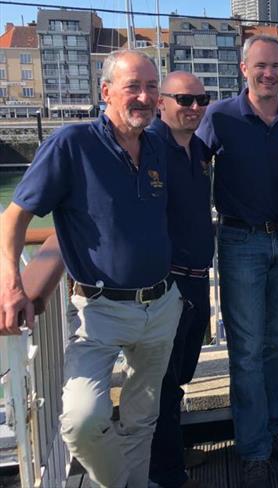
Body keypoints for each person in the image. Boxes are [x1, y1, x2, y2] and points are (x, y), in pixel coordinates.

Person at [0, 50, 182, 488]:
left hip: (161, 304)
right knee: (81, 421)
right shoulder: (72, 144)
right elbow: (13, 218)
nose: (144, 96)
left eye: (151, 87)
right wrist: (11, 285)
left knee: (143, 415)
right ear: (105, 92)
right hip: (99, 310)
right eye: (132, 87)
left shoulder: (157, 143)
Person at [196, 35, 278, 487]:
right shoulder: (219, 116)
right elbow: (189, 166)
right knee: (245, 350)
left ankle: (274, 427)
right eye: (260, 66)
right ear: (244, 69)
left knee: (277, 343)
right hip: (240, 240)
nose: (269, 74)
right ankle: (254, 448)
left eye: (276, 66)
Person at [147, 72, 214, 488]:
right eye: (183, 100)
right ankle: (166, 473)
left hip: (198, 279)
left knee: (182, 373)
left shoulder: (201, 149)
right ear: (161, 102)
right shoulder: (148, 146)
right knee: (163, 381)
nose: (192, 107)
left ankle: (171, 451)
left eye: (200, 100)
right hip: (166, 282)